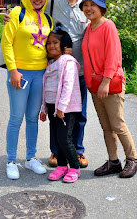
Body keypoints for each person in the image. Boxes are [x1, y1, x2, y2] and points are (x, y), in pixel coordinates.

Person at [5, 0, 90, 168]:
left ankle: (73, 152)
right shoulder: (49, 5)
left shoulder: (85, 6)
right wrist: (10, 17)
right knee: (46, 113)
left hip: (71, 70)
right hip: (48, 72)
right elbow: (13, 39)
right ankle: (45, 153)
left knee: (76, 113)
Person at [80, 0, 137, 178]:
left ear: (101, 8)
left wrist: (106, 82)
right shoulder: (89, 28)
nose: (89, 8)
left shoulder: (108, 26)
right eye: (86, 5)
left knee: (118, 124)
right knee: (106, 126)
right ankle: (113, 161)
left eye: (93, 5)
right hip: (95, 85)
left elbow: (114, 57)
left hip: (109, 84)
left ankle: (134, 158)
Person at [0, 0, 53, 180]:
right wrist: (12, 70)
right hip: (20, 73)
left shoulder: (48, 19)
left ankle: (31, 158)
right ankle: (11, 161)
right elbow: (6, 43)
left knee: (33, 118)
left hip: (41, 74)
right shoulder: (16, 13)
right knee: (16, 118)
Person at [39, 25, 82, 183]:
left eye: (55, 43)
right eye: (49, 43)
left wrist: (62, 107)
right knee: (57, 138)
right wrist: (44, 108)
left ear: (64, 45)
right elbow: (47, 89)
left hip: (66, 108)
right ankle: (62, 166)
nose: (51, 46)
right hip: (52, 107)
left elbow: (68, 86)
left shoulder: (68, 62)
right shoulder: (51, 63)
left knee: (65, 138)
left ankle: (75, 167)